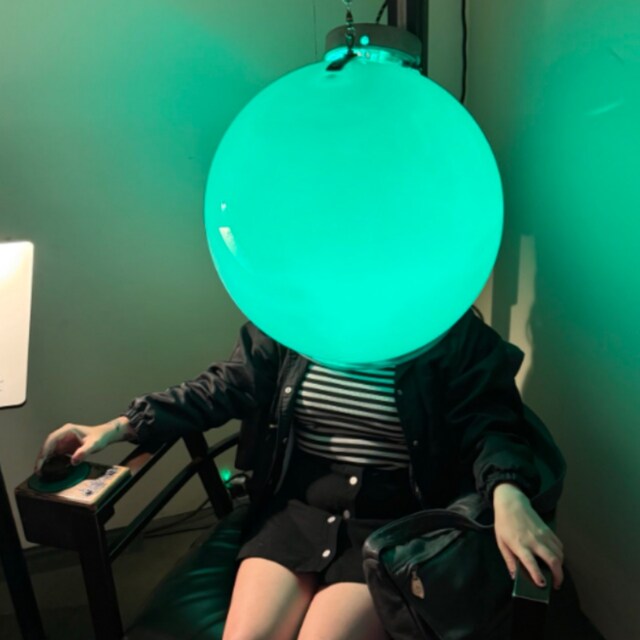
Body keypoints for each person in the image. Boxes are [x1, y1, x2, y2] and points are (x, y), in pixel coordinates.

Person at [35, 307, 564, 640]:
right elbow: (225, 385)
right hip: (298, 509)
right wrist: (124, 424)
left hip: (389, 525)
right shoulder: (294, 309)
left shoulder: (448, 328)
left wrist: (508, 493)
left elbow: (492, 422)